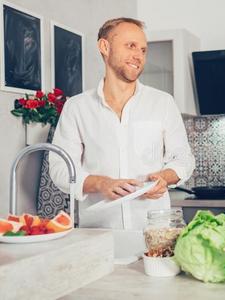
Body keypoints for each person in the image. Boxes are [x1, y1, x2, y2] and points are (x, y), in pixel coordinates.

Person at [49, 18, 195, 229]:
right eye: (131, 46)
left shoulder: (163, 102)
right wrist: (100, 183)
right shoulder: (76, 107)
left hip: (154, 233)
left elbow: (183, 158)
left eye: (144, 50)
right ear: (104, 47)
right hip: (100, 234)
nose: (139, 55)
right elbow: (60, 169)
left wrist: (165, 177)